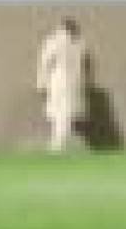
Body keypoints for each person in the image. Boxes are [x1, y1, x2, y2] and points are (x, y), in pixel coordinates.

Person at [36, 20, 88, 155]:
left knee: (66, 113)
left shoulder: (78, 43)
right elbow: (45, 62)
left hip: (68, 81)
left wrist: (41, 83)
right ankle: (57, 146)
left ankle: (61, 144)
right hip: (61, 80)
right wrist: (42, 83)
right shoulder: (58, 41)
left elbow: (80, 64)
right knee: (63, 113)